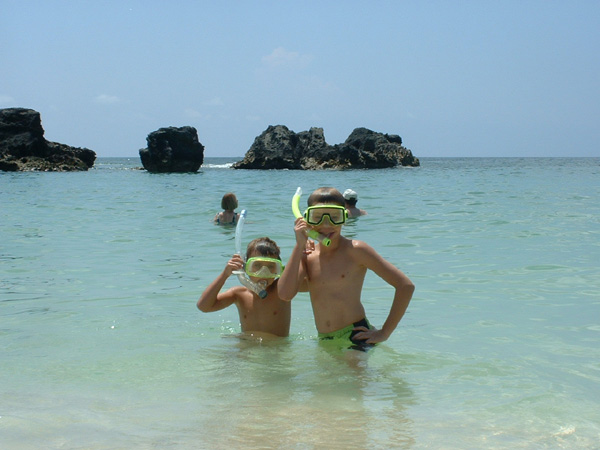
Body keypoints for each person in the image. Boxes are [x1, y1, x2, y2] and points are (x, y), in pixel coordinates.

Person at [278, 187, 414, 351]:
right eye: (318, 217)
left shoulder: (356, 251)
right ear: (307, 220)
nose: (327, 225)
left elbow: (405, 286)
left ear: (344, 218)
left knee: (352, 377)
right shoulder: (307, 254)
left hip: (355, 335)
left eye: (335, 217)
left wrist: (384, 332)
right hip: (325, 339)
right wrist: (299, 246)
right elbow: (285, 294)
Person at [197, 237, 292, 337]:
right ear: (245, 267)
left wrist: (302, 248)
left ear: (279, 269)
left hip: (275, 349)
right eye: (257, 265)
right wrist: (225, 274)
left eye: (270, 266)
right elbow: (203, 306)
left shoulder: (282, 290)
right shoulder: (239, 294)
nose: (263, 273)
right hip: (246, 347)